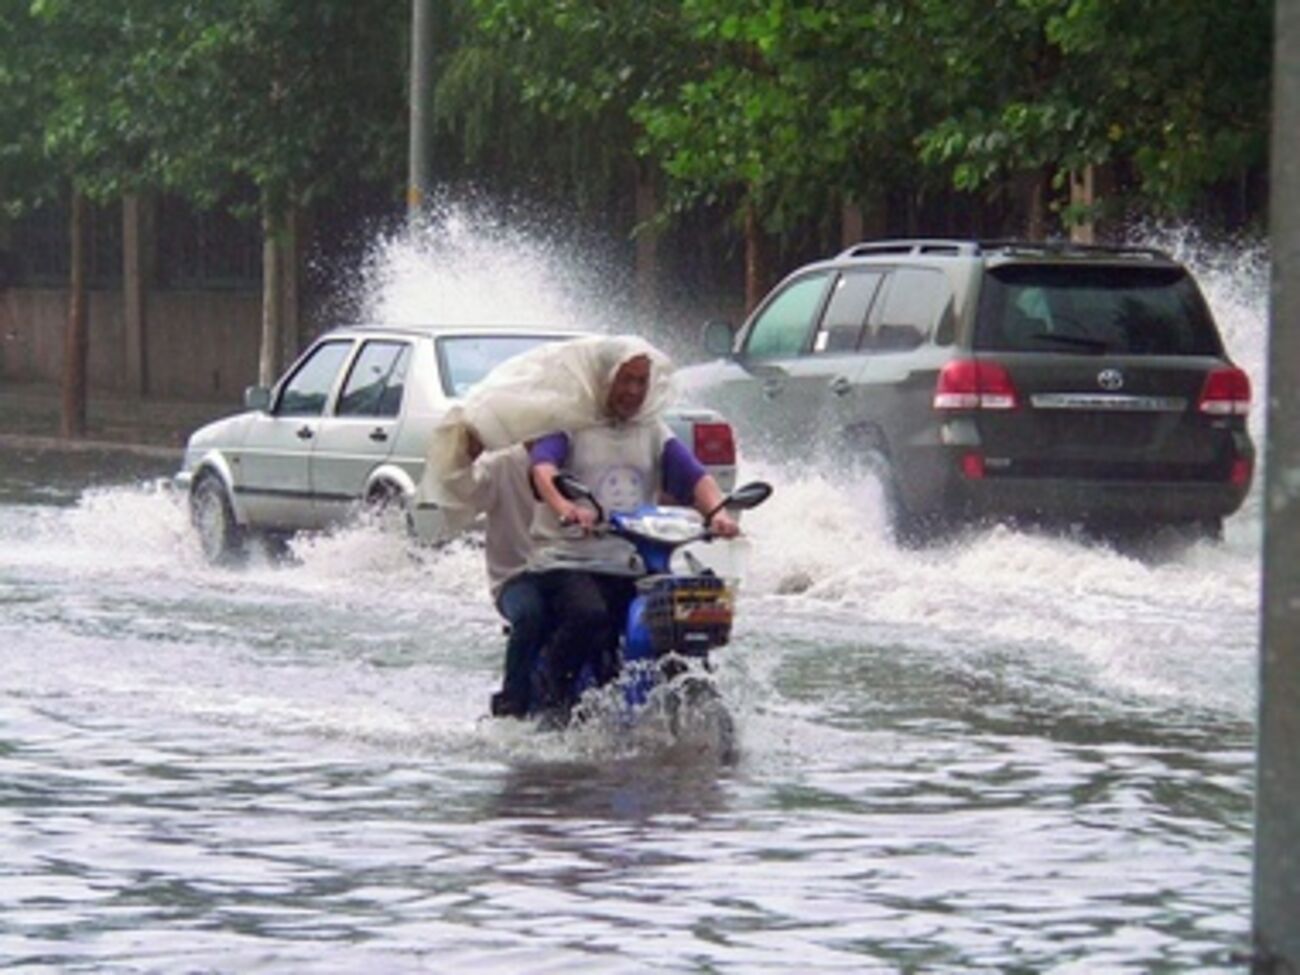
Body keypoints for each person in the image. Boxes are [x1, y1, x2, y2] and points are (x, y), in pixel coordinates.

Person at [527, 337, 739, 721]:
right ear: (602, 378)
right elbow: (543, 468)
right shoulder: (571, 423)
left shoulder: (653, 431)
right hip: (572, 559)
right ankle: (554, 700)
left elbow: (695, 478)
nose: (633, 391)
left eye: (641, 381)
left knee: (690, 613)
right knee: (589, 616)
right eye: (624, 380)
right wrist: (566, 506)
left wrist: (719, 513)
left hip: (635, 561)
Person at [449, 432, 551, 718]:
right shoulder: (502, 465)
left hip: (572, 568)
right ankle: (512, 702)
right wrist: (464, 456)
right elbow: (464, 495)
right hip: (516, 575)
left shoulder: (579, 457)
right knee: (531, 614)